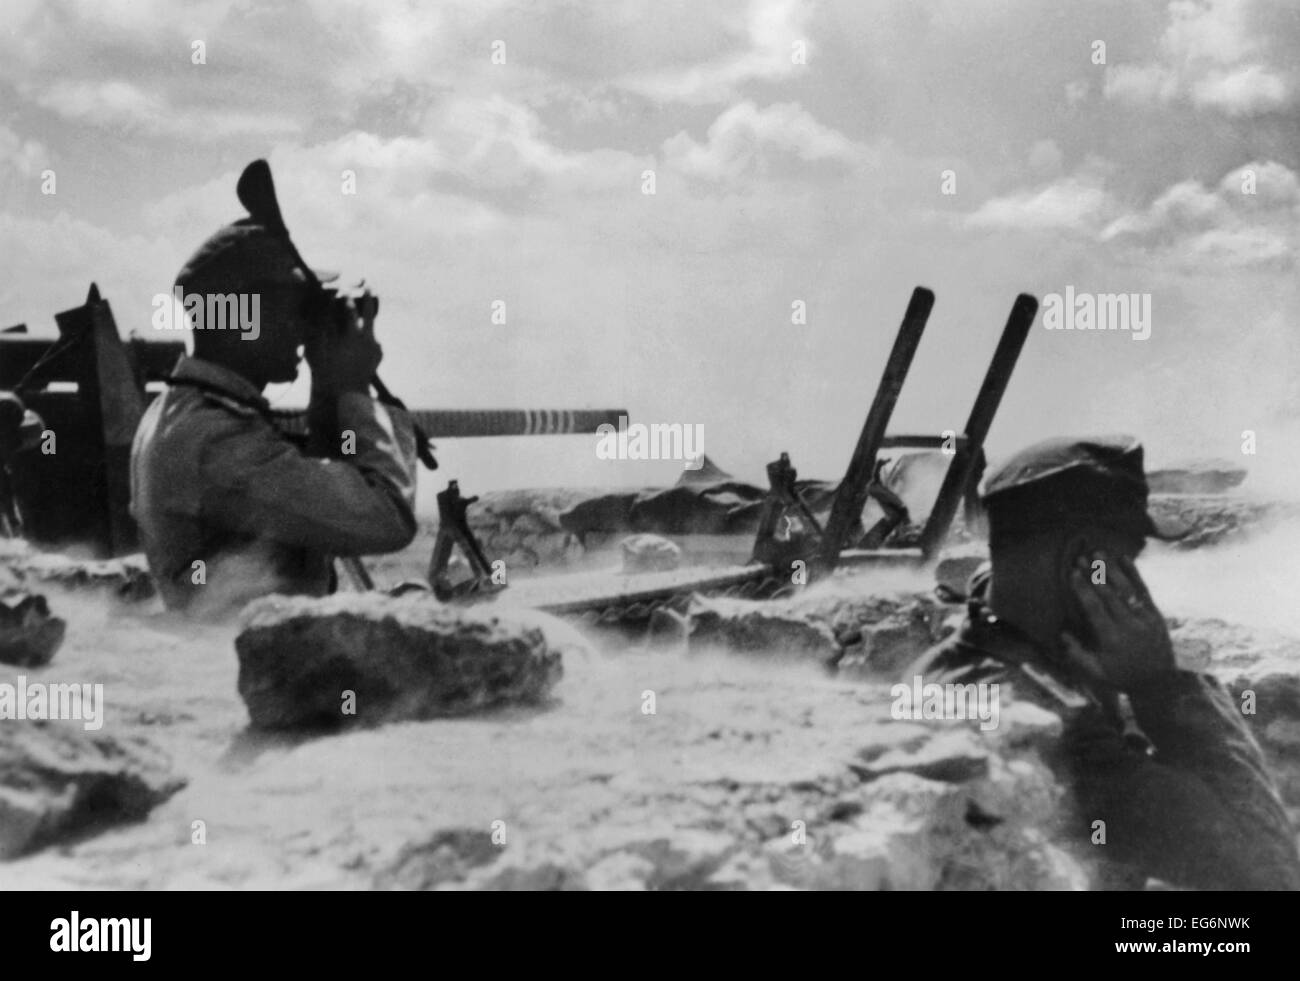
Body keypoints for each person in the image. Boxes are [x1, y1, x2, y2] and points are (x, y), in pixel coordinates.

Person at [905, 435, 1300, 890]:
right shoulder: (1054, 733)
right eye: (1126, 555)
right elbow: (1266, 875)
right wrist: (1160, 684)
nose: (1134, 579)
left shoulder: (978, 654)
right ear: (1086, 559)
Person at [130, 177, 417, 618]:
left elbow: (323, 495)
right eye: (299, 310)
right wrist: (356, 388)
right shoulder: (213, 439)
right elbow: (386, 519)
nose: (306, 328)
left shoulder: (188, 410)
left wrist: (329, 385)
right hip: (236, 666)